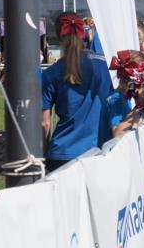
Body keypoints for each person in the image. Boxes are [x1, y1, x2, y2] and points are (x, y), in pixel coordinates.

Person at [40, 13, 114, 173]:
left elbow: (44, 123)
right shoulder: (104, 66)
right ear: (84, 32)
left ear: (59, 36)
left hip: (62, 155)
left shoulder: (51, 73)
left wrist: (43, 156)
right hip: (98, 152)